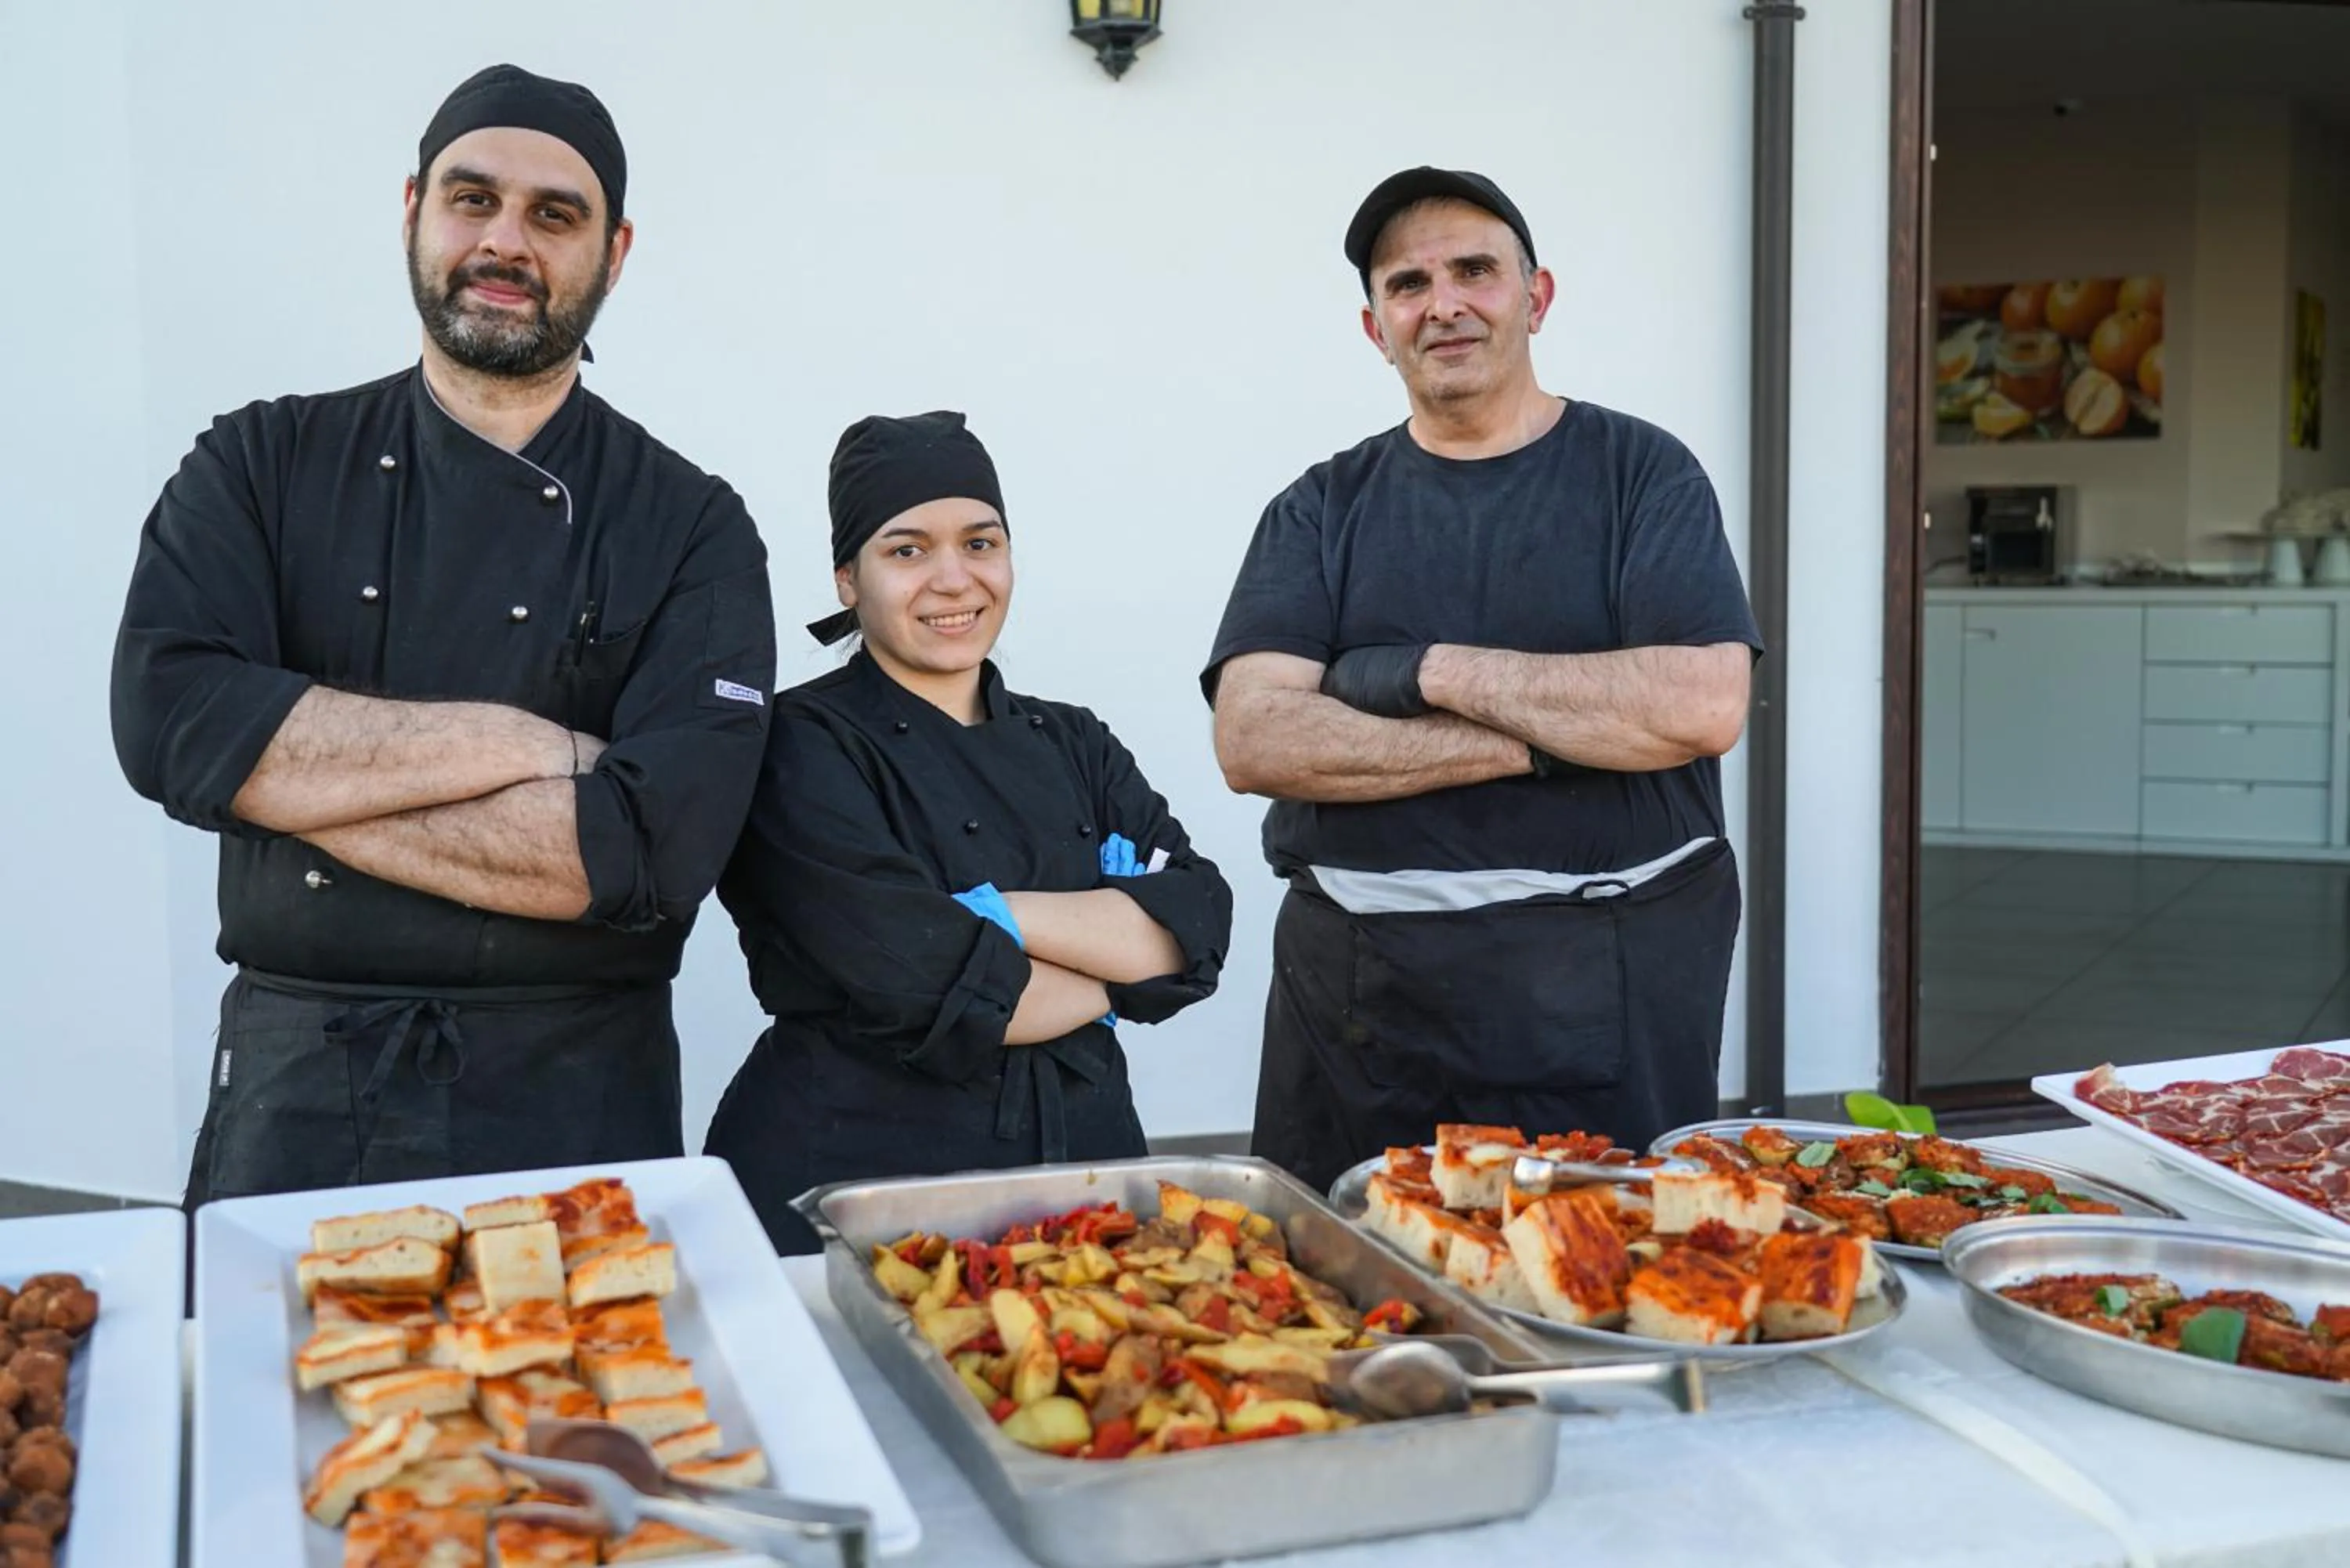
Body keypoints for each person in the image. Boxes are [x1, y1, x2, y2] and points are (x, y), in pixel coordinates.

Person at [110, 64, 776, 1205]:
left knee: (579, 1393)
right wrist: (537, 746)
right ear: (414, 209)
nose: (505, 240)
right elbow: (171, 723)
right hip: (296, 1084)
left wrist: (285, 786)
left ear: (614, 254)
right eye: (473, 198)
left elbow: (661, 853)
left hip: (578, 1090)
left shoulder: (690, 523)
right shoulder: (260, 464)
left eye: (554, 215)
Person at [1202, 168, 1760, 1191]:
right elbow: (1257, 739)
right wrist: (1549, 739)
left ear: (1536, 296)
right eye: (1408, 283)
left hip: (1607, 981)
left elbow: (1700, 704)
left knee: (1604, 1280)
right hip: (1358, 1006)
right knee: (1349, 1299)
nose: (1443, 302)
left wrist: (1414, 669)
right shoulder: (1319, 508)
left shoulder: (1643, 475)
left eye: (1474, 270)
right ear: (1376, 326)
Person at [705, 412, 1231, 1252]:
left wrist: (996, 916)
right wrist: (1127, 970)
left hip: (1086, 1183)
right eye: (907, 550)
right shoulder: (796, 748)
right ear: (848, 578)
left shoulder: (1076, 739)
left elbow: (1202, 919)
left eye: (980, 543)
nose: (954, 580)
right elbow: (928, 984)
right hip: (849, 1191)